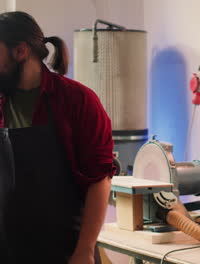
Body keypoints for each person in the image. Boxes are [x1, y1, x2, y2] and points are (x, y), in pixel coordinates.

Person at [0, 11, 115, 263]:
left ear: (20, 51)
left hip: (62, 250)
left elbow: (99, 179)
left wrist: (84, 250)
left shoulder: (77, 101)